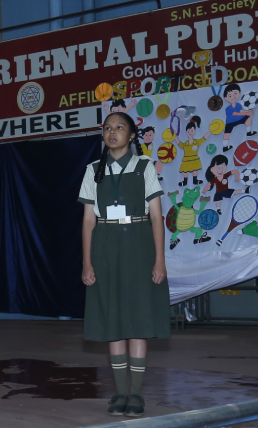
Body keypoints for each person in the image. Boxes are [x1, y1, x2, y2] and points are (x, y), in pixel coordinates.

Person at [79, 111, 169, 417]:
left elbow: (156, 216)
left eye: (119, 127)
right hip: (105, 246)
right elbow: (88, 220)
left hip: (139, 246)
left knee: (138, 321)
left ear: (131, 136)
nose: (112, 131)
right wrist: (87, 262)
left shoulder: (144, 167)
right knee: (113, 320)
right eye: (107, 127)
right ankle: (120, 392)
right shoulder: (93, 170)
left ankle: (136, 394)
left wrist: (159, 260)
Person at [220, 83, 255, 151]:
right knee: (227, 134)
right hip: (230, 122)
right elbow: (235, 113)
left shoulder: (239, 105)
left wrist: (248, 112)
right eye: (230, 96)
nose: (233, 97)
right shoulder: (227, 108)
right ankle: (225, 146)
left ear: (239, 93)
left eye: (235, 93)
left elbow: (241, 111)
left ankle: (249, 132)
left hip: (240, 119)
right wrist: (247, 113)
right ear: (226, 98)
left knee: (248, 119)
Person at [176, 115, 206, 187]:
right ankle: (185, 181)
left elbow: (203, 138)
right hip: (186, 159)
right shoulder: (185, 144)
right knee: (185, 170)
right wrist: (174, 137)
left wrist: (210, 132)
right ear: (186, 132)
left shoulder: (197, 142)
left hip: (194, 159)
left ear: (194, 131)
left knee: (195, 169)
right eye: (188, 131)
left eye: (192, 131)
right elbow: (180, 144)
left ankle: (195, 180)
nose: (190, 132)